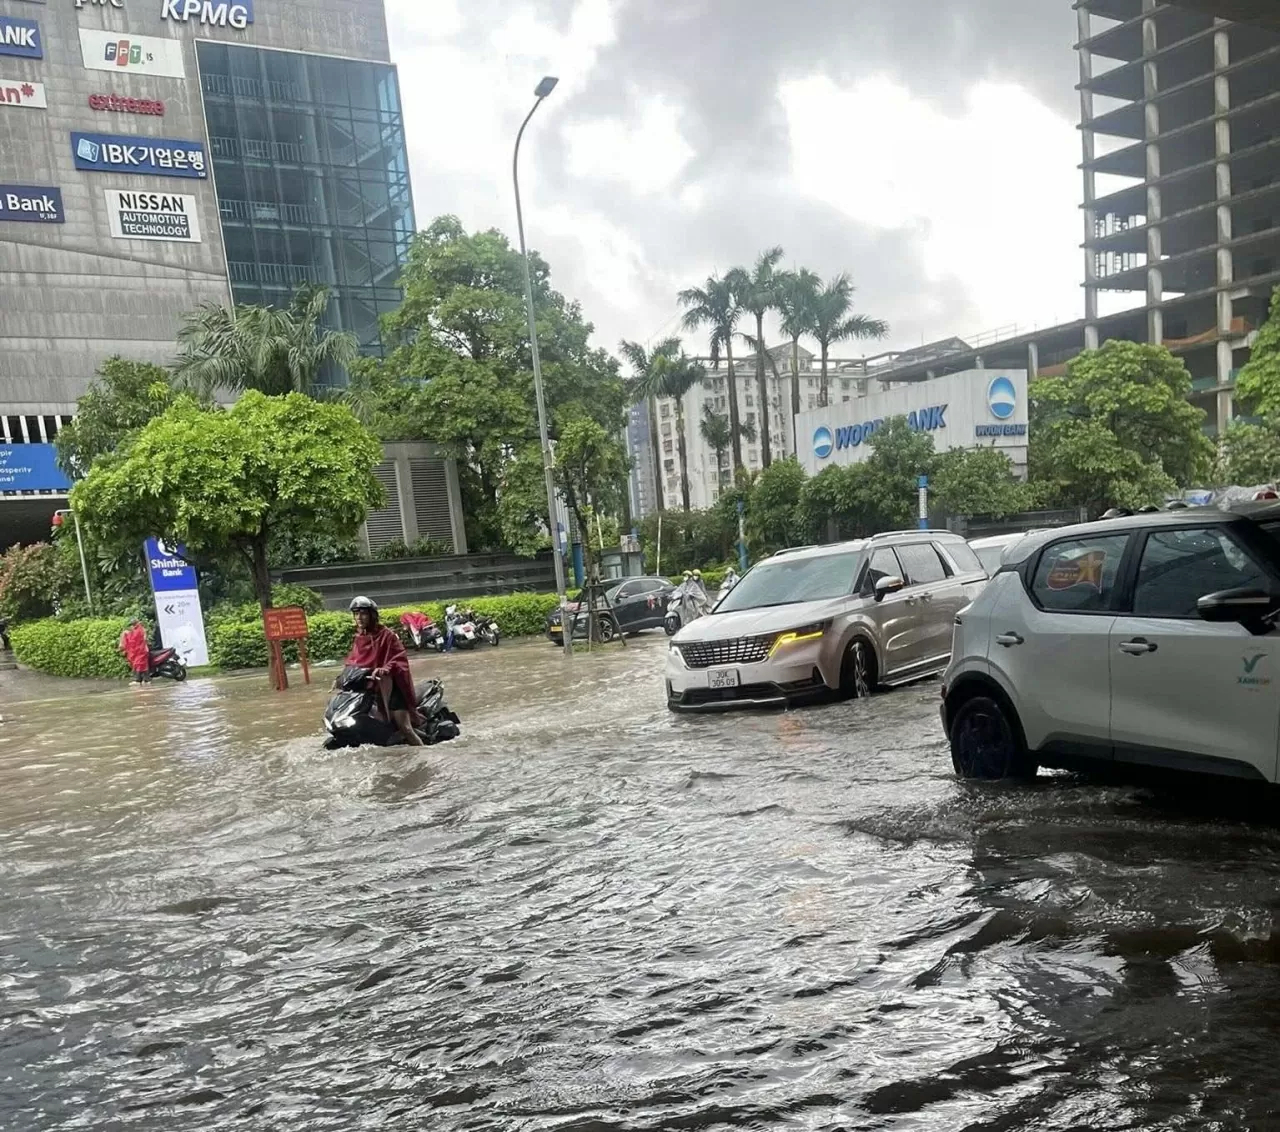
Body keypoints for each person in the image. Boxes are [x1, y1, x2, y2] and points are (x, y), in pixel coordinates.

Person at [344, 596, 423, 746]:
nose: (359, 617)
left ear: (372, 615)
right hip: (370, 687)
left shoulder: (387, 635)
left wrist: (385, 669)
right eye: (356, 614)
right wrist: (342, 677)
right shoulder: (359, 637)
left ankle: (423, 752)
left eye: (363, 613)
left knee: (405, 728)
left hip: (392, 686)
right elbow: (353, 661)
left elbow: (399, 658)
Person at [119, 620, 151, 685]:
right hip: (140, 650)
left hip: (140, 650)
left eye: (132, 625)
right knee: (142, 665)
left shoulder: (139, 630)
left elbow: (134, 640)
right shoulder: (139, 630)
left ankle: (138, 680)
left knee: (138, 664)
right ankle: (146, 680)